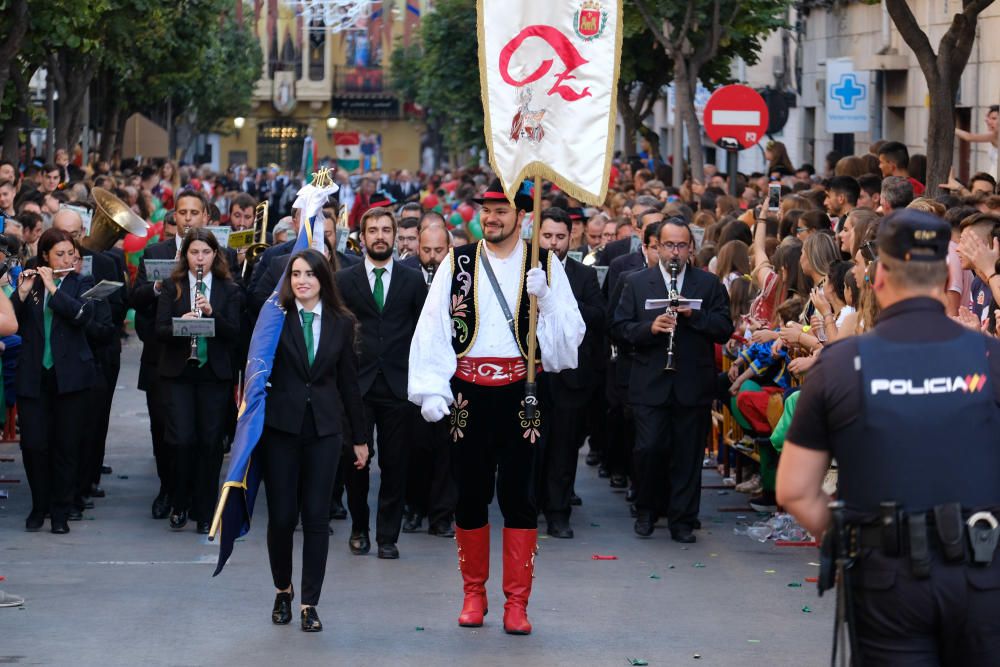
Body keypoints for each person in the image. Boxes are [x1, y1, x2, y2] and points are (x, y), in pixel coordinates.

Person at [777, 209, 1000, 665]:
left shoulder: (840, 363)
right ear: (944, 278)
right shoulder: (990, 357)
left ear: (877, 278)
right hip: (982, 572)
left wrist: (849, 542)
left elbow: (794, 490)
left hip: (886, 576)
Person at [408, 179, 585, 634]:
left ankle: (517, 602)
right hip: (469, 389)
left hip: (523, 390)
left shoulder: (543, 262)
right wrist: (430, 386)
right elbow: (433, 325)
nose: (492, 217)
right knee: (469, 494)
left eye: (502, 210)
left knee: (521, 496)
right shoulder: (459, 261)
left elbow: (569, 344)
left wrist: (545, 297)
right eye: (487, 210)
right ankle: (473, 592)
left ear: (522, 216)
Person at [262, 249, 368, 633]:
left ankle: (309, 602)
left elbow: (349, 384)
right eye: (295, 274)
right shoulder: (275, 318)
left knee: (317, 518)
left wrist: (359, 438)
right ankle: (282, 589)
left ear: (324, 278)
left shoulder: (341, 322)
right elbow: (257, 370)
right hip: (281, 430)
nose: (302, 280)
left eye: (309, 273)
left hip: (325, 431)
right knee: (282, 517)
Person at [611, 219, 733, 543]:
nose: (675, 252)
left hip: (692, 383)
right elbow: (620, 328)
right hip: (650, 382)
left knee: (688, 454)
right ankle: (646, 510)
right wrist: (649, 329)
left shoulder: (707, 284)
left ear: (691, 248)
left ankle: (682, 519)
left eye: (681, 245)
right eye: (669, 245)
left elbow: (724, 328)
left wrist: (695, 316)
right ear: (657, 246)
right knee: (648, 449)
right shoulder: (637, 283)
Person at [335, 206, 426, 560]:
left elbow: (422, 331)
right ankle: (359, 527)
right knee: (355, 461)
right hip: (356, 385)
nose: (380, 236)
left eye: (386, 230)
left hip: (398, 385)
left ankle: (388, 536)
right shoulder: (344, 280)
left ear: (396, 235)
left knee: (395, 464)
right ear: (361, 238)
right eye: (372, 230)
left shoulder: (411, 279)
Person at [155, 228, 242, 534]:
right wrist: (184, 324)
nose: (200, 258)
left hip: (213, 374)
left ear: (215, 255)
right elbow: (160, 330)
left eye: (206, 252)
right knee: (180, 441)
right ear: (185, 256)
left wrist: (211, 314)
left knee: (209, 444)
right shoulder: (172, 286)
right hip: (179, 373)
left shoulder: (228, 289)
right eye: (194, 253)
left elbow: (234, 332)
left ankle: (204, 510)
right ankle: (180, 502)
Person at [13, 229, 94, 533]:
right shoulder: (31, 284)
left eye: (70, 254)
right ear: (44, 256)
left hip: (70, 377)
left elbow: (82, 315)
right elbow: (10, 322)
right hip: (33, 374)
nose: (66, 259)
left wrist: (54, 288)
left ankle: (60, 512)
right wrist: (20, 293)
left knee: (66, 446)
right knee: (34, 445)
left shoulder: (80, 282)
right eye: (59, 254)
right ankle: (39, 505)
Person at [536, 207, 605, 539]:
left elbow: (597, 316)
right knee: (533, 446)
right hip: (531, 376)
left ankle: (558, 513)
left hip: (569, 376)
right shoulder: (525, 273)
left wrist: (560, 305)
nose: (553, 243)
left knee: (564, 448)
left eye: (560, 237)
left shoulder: (583, 276)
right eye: (547, 236)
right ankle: (529, 503)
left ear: (570, 237)